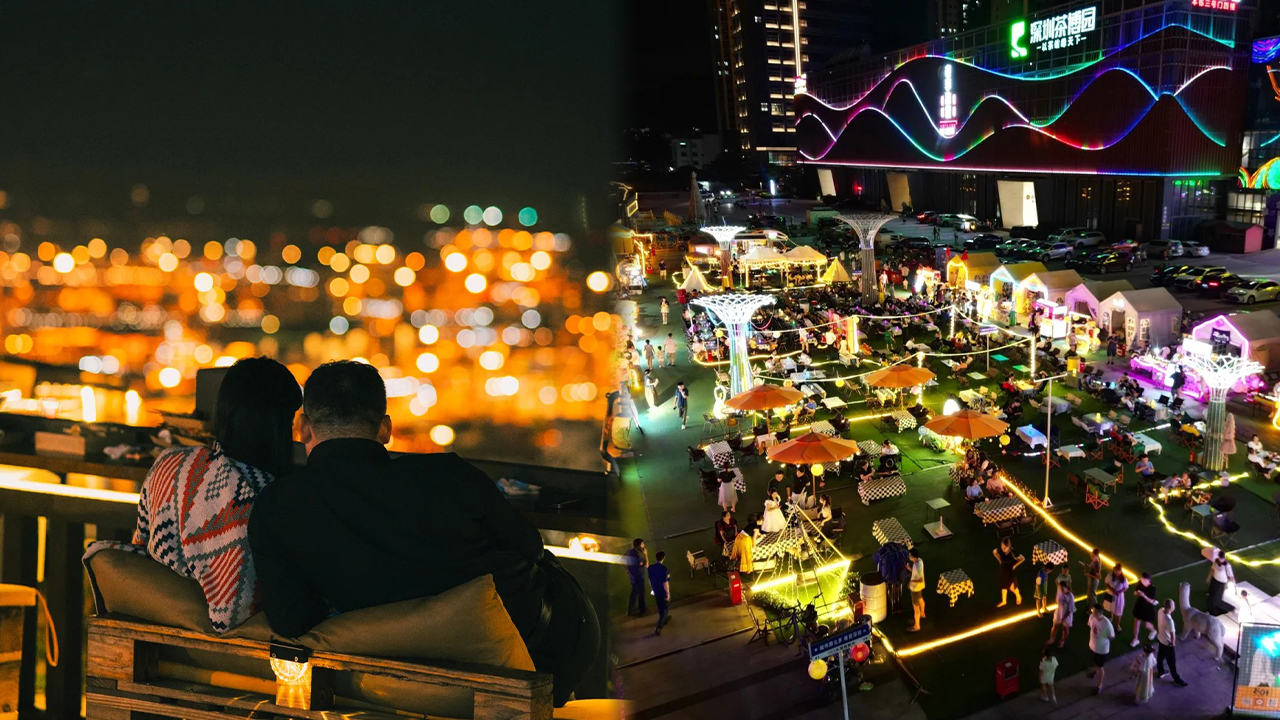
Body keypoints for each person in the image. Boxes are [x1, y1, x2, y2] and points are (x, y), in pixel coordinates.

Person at [246, 361, 598, 706]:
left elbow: (292, 619)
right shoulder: (447, 475)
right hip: (543, 648)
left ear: (304, 428)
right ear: (384, 429)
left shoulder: (277, 507)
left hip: (404, 683)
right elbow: (530, 545)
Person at [84, 357, 302, 633]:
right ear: (277, 426)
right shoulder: (267, 498)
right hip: (227, 655)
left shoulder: (169, 464)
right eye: (291, 422)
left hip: (156, 632)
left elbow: (142, 548)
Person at [1156, 598, 1189, 687]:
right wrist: (1173, 644)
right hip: (1167, 644)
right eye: (1174, 605)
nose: (1175, 606)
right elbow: (1173, 635)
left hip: (1160, 639)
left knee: (1160, 657)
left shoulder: (1160, 611)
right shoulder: (1170, 621)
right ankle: (1176, 679)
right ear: (1171, 607)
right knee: (1172, 663)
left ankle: (1161, 671)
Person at [1087, 603, 1116, 695]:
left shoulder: (1107, 624)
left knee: (1100, 667)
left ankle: (1099, 685)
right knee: (1096, 664)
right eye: (1093, 611)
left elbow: (1112, 636)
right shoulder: (1091, 617)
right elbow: (1090, 627)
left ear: (1100, 612)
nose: (1093, 613)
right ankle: (1096, 671)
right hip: (1092, 646)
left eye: (1095, 611)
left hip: (1101, 650)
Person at [993, 537, 1024, 607]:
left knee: (1012, 587)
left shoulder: (1013, 552)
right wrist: (999, 560)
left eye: (1005, 547)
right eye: (1002, 546)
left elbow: (1022, 558)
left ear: (1009, 546)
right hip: (1003, 569)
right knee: (1003, 585)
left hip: (1011, 570)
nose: (1003, 549)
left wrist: (1016, 565)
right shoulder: (1000, 550)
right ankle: (1004, 601)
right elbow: (994, 552)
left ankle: (1018, 596)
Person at [1131, 572, 1159, 646]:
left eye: (1143, 580)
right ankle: (1136, 639)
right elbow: (1134, 593)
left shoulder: (1152, 588)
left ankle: (1153, 631)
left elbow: (1151, 601)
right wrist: (1137, 593)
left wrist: (1144, 596)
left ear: (1148, 580)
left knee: (1147, 624)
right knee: (1136, 622)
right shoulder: (1140, 584)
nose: (1142, 581)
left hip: (1147, 607)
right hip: (1140, 605)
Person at [1207, 548, 1235, 616]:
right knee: (1211, 595)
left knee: (1218, 599)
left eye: (1222, 558)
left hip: (1221, 583)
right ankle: (1211, 610)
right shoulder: (1216, 562)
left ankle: (1230, 608)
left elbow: (1231, 576)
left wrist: (1233, 585)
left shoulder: (1227, 566)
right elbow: (1212, 569)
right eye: (1220, 558)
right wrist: (1209, 577)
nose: (1221, 560)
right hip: (1214, 580)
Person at [649, 551, 671, 635]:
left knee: (660, 605)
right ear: (663, 558)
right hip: (662, 591)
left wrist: (652, 589)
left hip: (656, 590)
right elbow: (665, 583)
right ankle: (659, 626)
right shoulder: (664, 569)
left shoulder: (651, 568)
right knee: (665, 608)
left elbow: (650, 580)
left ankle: (664, 619)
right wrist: (667, 593)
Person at [625, 539, 648, 616]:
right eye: (642, 544)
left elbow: (621, 558)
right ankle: (642, 611)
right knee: (641, 593)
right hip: (639, 576)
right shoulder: (637, 555)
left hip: (633, 577)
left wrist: (627, 569)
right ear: (639, 546)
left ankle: (630, 610)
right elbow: (646, 565)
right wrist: (645, 554)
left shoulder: (629, 552)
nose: (643, 545)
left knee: (634, 593)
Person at [1050, 579, 1074, 648]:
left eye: (1062, 588)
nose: (1061, 589)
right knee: (1055, 626)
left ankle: (1062, 640)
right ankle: (1052, 639)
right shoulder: (1059, 591)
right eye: (1060, 588)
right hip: (1059, 611)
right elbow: (1057, 601)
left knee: (1065, 629)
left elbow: (1070, 610)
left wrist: (1063, 618)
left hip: (1066, 615)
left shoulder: (1070, 596)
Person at [1105, 564, 1129, 628]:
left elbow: (1126, 587)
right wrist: (1111, 589)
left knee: (1119, 611)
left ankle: (1117, 624)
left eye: (1118, 571)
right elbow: (1106, 583)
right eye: (1115, 570)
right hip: (1111, 594)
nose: (1117, 572)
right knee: (1110, 608)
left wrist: (1120, 591)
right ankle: (1110, 617)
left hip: (1119, 597)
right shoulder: (1110, 576)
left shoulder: (1124, 579)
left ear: (1121, 571)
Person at [907, 548, 925, 632]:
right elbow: (915, 573)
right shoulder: (919, 561)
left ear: (913, 556)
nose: (909, 556)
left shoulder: (917, 566)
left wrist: (911, 581)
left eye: (910, 555)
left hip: (915, 588)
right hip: (919, 587)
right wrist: (909, 568)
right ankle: (922, 614)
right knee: (920, 598)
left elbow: (920, 579)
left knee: (916, 608)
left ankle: (917, 626)